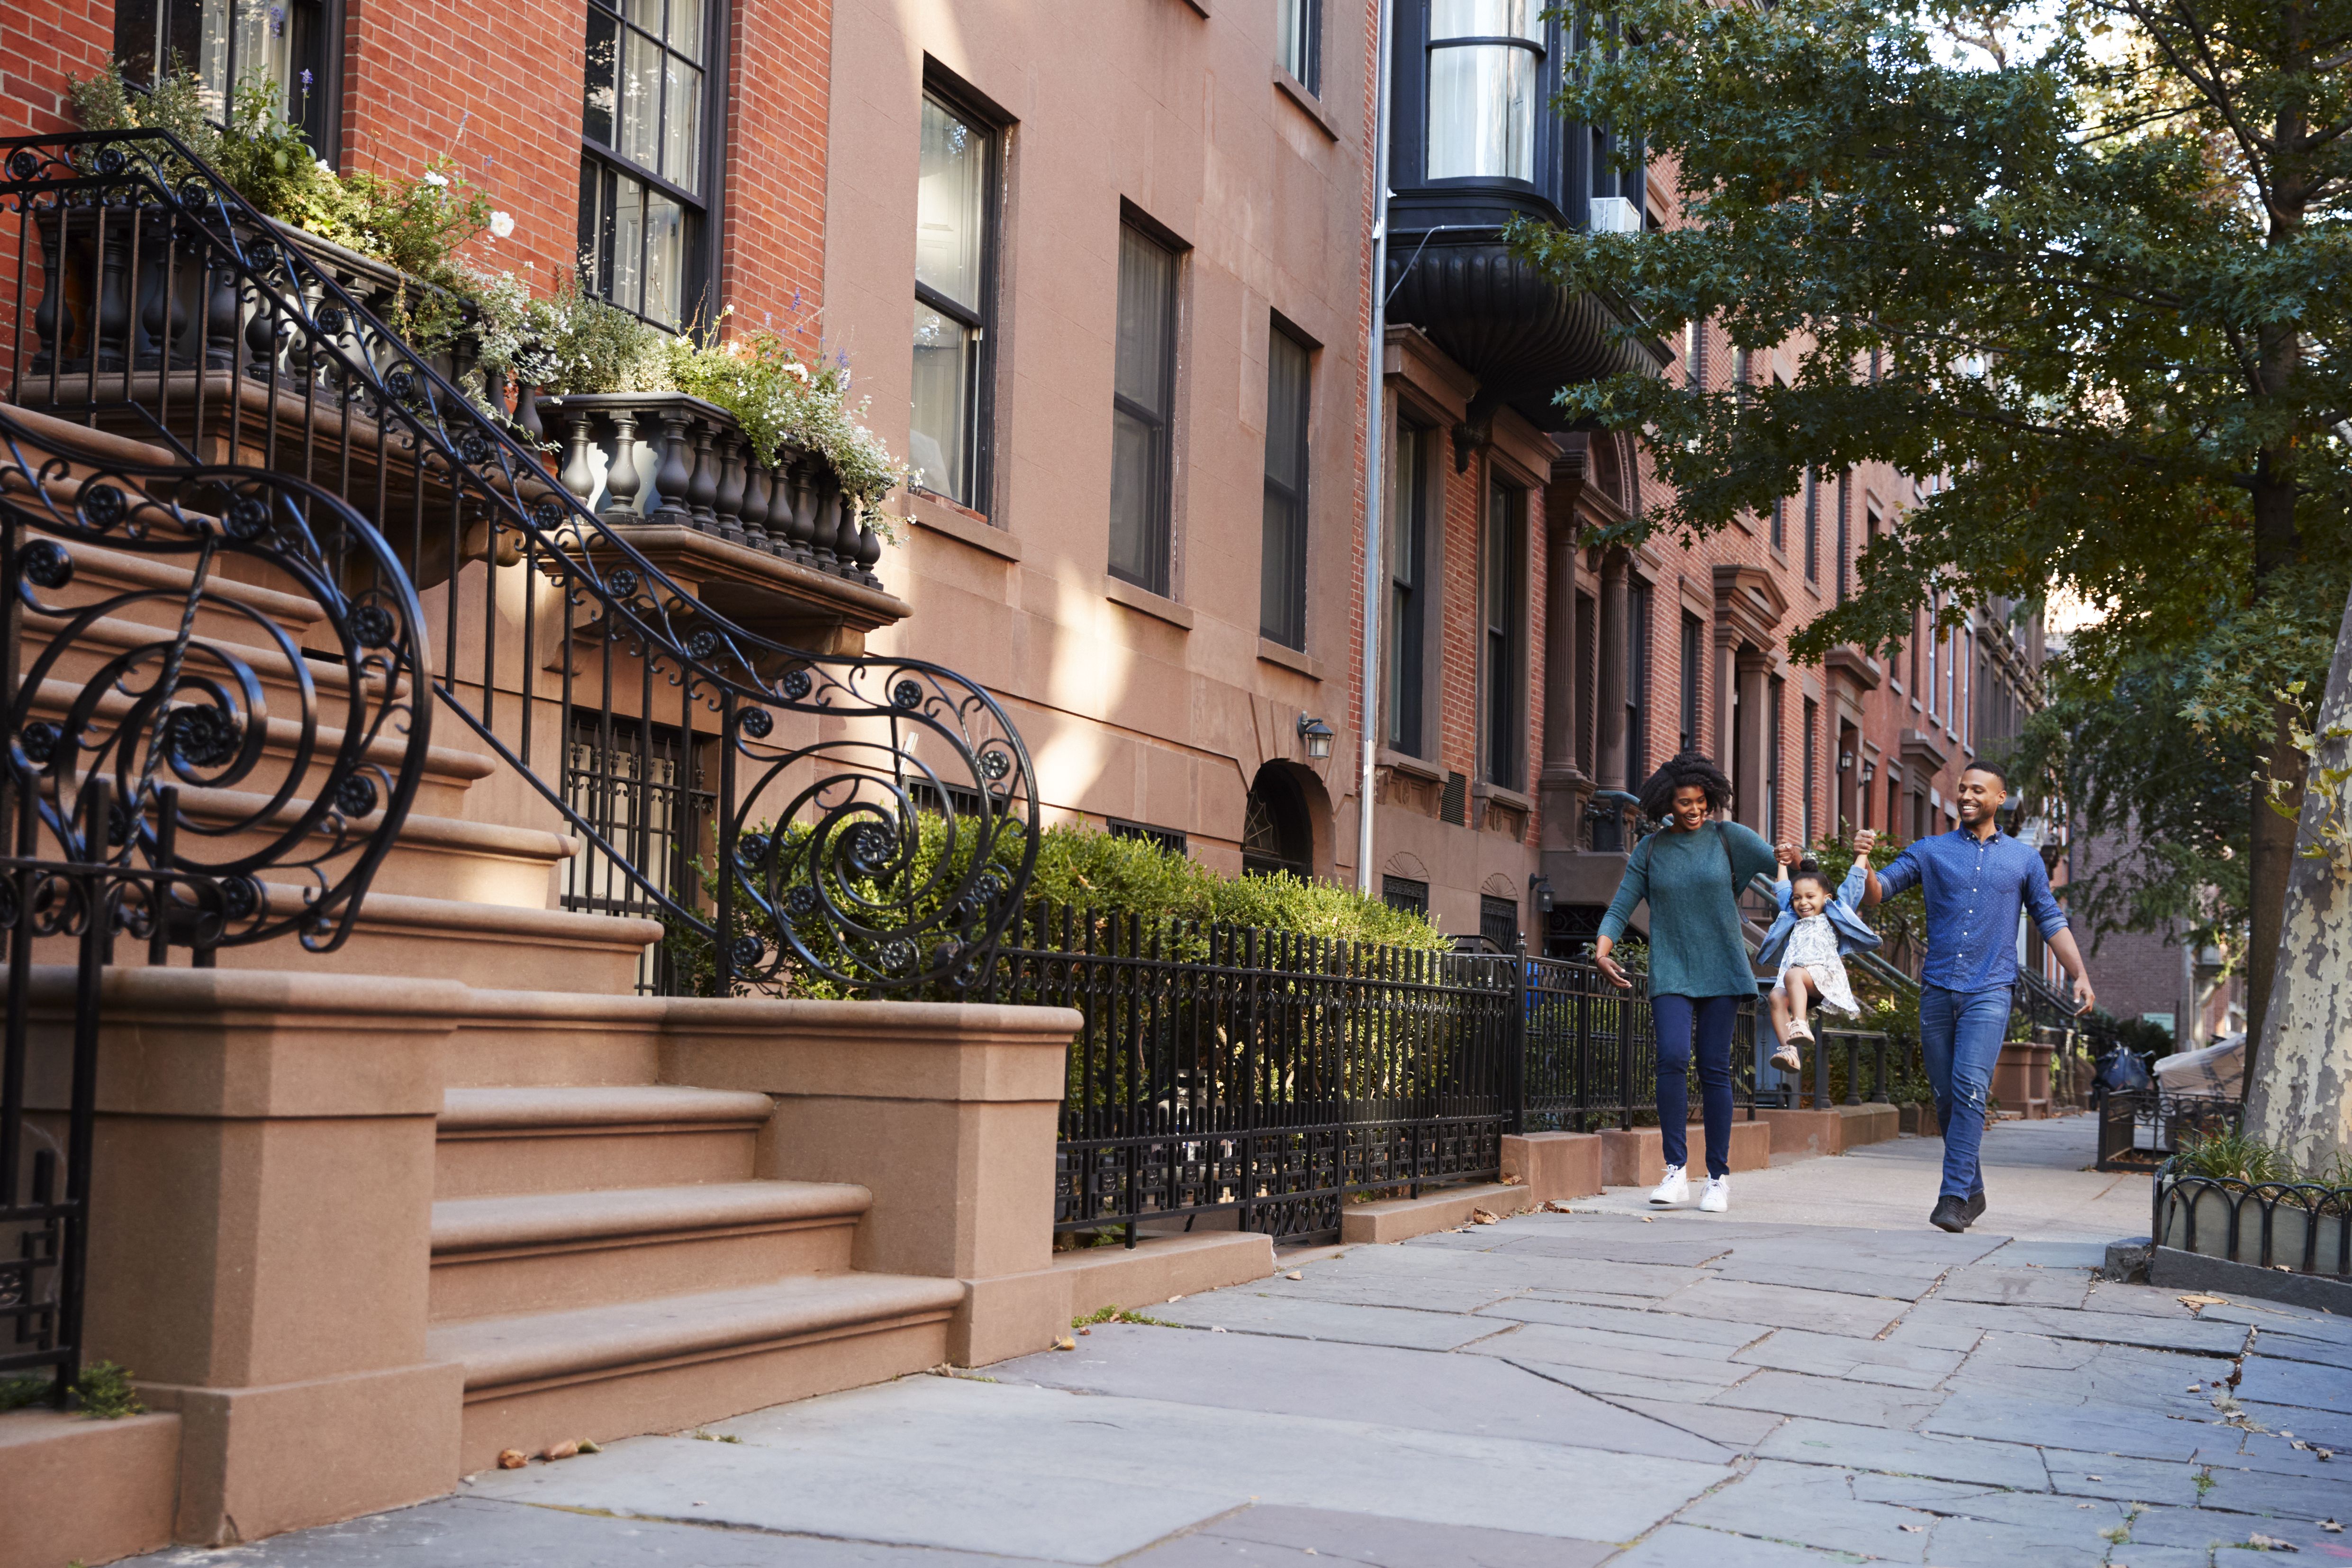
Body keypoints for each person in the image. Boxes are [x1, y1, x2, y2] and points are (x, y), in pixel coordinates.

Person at [1861, 761, 2095, 1233]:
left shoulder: (2023, 861)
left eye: (1977, 791)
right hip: (1936, 989)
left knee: (1969, 1087)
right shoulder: (1930, 851)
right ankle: (1973, 1189)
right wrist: (1862, 863)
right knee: (1947, 1098)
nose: (1966, 797)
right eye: (1962, 789)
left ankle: (1951, 1198)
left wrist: (2079, 974)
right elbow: (1877, 894)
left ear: (1999, 799)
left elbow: (2049, 920)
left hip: (1989, 990)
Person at [1593, 751, 1778, 1214]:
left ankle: (1717, 1177)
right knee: (1672, 1057)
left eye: (1700, 801)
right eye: (1683, 803)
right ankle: (1675, 1170)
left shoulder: (1728, 838)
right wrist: (1602, 948)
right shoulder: (1650, 849)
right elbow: (1620, 905)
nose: (1693, 809)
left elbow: (1782, 869)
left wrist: (1802, 864)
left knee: (1714, 1068)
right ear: (1666, 804)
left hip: (1722, 968)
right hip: (1672, 967)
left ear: (1709, 798)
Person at [1757, 835, 1883, 1073]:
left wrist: (1863, 854)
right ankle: (1790, 1052)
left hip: (1822, 978)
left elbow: (1853, 886)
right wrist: (1782, 864)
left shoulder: (1833, 914)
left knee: (1793, 975)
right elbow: (1782, 889)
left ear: (1826, 899)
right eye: (1798, 898)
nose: (1802, 903)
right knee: (1775, 996)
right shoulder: (1791, 916)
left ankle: (1801, 1025)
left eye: (1810, 897)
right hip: (1797, 985)